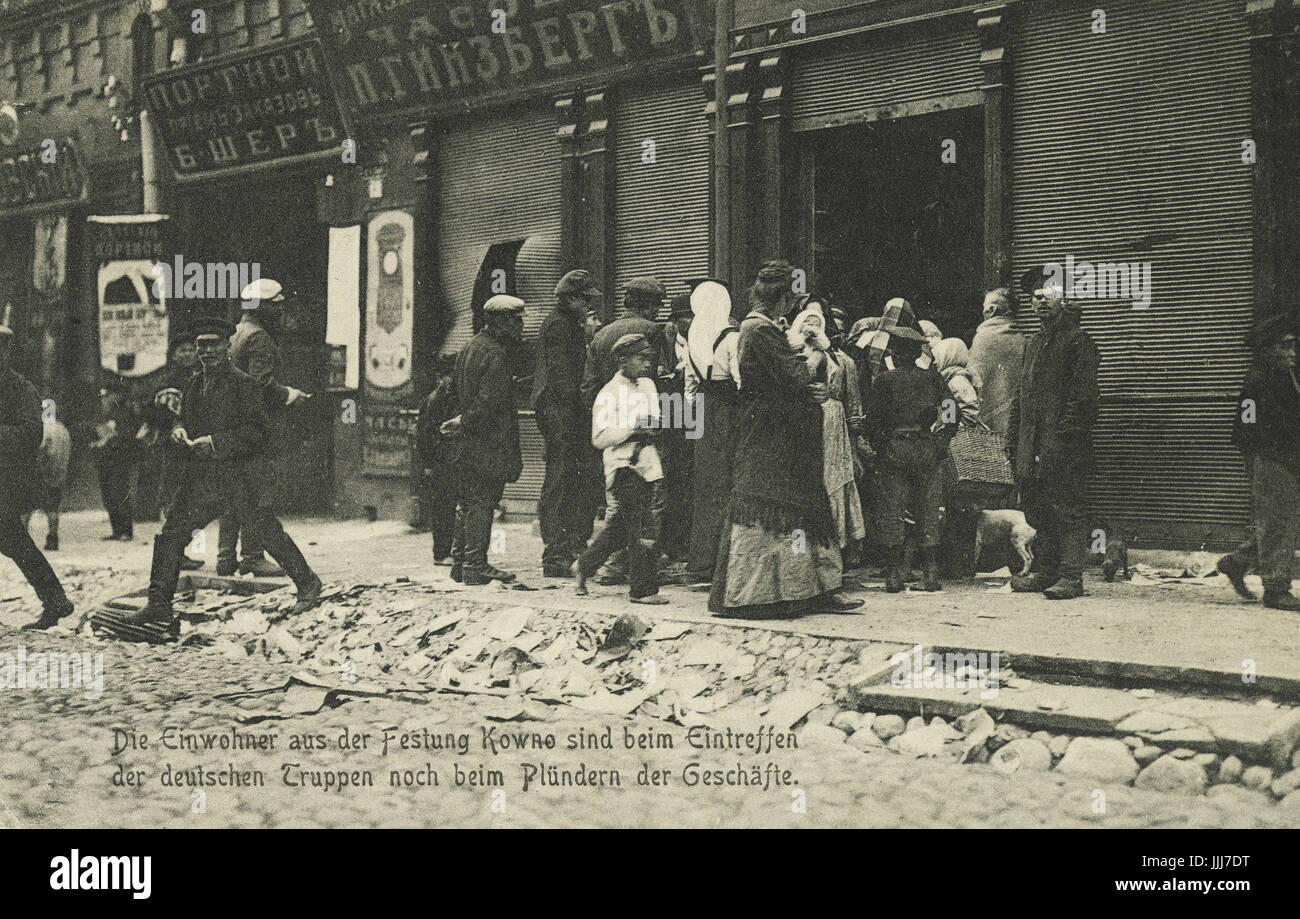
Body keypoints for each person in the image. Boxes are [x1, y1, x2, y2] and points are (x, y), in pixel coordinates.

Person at [121, 317, 322, 627]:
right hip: (202, 478)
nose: (206, 351)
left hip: (239, 476)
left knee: (266, 531)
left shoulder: (244, 384)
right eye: (201, 345)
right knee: (173, 533)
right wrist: (178, 430)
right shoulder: (193, 384)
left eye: (213, 344)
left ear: (228, 346)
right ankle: (158, 603)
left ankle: (308, 584)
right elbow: (184, 420)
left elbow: (257, 433)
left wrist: (215, 443)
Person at [708, 261, 863, 619]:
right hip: (771, 437)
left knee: (800, 507)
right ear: (781, 300)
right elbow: (795, 376)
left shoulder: (763, 330)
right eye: (791, 301)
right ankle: (761, 594)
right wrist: (818, 352)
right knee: (773, 507)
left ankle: (812, 590)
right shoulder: (758, 332)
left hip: (785, 435)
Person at [1007, 268, 1100, 600]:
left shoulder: (1078, 341)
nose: (1041, 300)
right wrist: (1013, 438)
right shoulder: (1033, 342)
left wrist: (1065, 438)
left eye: (1050, 294)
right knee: (1037, 507)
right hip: (1032, 445)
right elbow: (1021, 395)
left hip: (1062, 445)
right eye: (1035, 296)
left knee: (1067, 507)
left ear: (1066, 299)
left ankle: (1072, 576)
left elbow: (1084, 398)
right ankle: (1045, 571)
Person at [217, 278, 311, 578]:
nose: (280, 313)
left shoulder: (235, 335)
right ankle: (252, 556)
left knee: (233, 492)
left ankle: (225, 556)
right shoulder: (260, 339)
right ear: (263, 308)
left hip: (231, 426)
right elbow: (260, 385)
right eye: (276, 306)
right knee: (257, 492)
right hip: (254, 428)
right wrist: (289, 394)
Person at [573, 333, 668, 604]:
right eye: (640, 358)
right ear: (622, 361)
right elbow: (599, 437)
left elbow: (655, 418)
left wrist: (653, 425)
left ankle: (584, 565)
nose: (646, 364)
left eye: (648, 358)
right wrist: (630, 429)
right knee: (641, 527)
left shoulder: (648, 385)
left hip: (648, 462)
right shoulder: (608, 394)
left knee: (621, 529)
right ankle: (642, 589)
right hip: (623, 466)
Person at [1217, 316, 1300, 610]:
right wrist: (1262, 457)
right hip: (1272, 458)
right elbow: (1246, 422)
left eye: (1293, 347)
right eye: (1284, 347)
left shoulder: (1283, 375)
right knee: (1279, 519)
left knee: (1283, 520)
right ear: (1266, 349)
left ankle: (1238, 562)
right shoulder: (1258, 379)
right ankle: (1276, 589)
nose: (1292, 353)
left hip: (1286, 456)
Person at [863, 326, 955, 592]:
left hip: (895, 449)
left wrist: (881, 445)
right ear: (916, 353)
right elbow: (950, 410)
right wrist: (942, 441)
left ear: (894, 352)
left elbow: (873, 421)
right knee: (929, 510)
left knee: (892, 511)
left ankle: (893, 576)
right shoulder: (934, 379)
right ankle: (931, 575)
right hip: (926, 449)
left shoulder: (884, 380)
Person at [1, 308, 74, 631]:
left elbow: (32, 434)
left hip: (10, 479)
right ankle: (56, 600)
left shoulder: (20, 389)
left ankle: (56, 600)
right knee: (15, 542)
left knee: (15, 541)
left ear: (6, 351)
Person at [447, 295, 526, 585]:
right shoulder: (496, 354)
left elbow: (462, 394)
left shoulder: (469, 348)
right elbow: (488, 403)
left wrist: (462, 422)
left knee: (467, 503)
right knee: (483, 502)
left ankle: (460, 563)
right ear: (501, 321)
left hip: (469, 443)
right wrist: (467, 421)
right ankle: (476, 565)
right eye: (516, 320)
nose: (520, 326)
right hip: (489, 443)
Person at [533, 269, 602, 578]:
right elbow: (565, 379)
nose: (589, 306)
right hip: (562, 414)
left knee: (574, 481)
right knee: (561, 482)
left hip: (565, 413)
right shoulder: (560, 327)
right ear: (571, 298)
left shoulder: (566, 324)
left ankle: (569, 547)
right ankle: (556, 554)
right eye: (585, 299)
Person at [788, 302, 866, 553]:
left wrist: (853, 451)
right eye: (805, 323)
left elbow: (854, 406)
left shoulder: (843, 361)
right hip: (801, 423)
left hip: (834, 428)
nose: (810, 328)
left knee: (833, 481)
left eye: (816, 323)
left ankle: (837, 547)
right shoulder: (789, 359)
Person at [684, 280, 740, 580]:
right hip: (727, 410)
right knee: (728, 480)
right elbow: (740, 380)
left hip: (703, 412)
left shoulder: (693, 334)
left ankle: (701, 561)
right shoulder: (731, 336)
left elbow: (689, 389)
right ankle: (724, 561)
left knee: (706, 486)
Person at [139, 328, 203, 570]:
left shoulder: (198, 376)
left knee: (188, 498)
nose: (188, 354)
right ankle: (174, 552)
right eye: (182, 350)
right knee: (175, 497)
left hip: (192, 445)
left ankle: (176, 550)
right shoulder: (168, 380)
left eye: (191, 350)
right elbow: (154, 412)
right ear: (174, 355)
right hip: (172, 446)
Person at [654, 294, 695, 563]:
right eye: (686, 316)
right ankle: (667, 543)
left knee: (688, 478)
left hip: (693, 414)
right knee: (670, 477)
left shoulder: (701, 340)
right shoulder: (664, 341)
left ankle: (681, 543)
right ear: (675, 319)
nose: (691, 322)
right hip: (670, 413)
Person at [416, 354, 461, 565]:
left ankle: (449, 551)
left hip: (449, 460)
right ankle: (441, 553)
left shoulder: (451, 398)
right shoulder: (435, 400)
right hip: (439, 462)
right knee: (442, 508)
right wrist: (428, 464)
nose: (451, 380)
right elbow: (424, 435)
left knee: (450, 506)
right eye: (447, 376)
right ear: (440, 378)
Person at [969, 287, 1026, 436]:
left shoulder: (983, 338)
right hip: (1015, 423)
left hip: (988, 425)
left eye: (984, 308)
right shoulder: (1021, 339)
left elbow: (974, 379)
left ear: (992, 310)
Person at [91, 375, 139, 541]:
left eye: (108, 395)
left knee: (119, 492)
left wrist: (111, 439)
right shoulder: (103, 413)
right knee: (108, 494)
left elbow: (129, 436)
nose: (105, 398)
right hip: (104, 458)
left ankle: (126, 530)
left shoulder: (124, 412)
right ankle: (117, 530)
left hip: (119, 457)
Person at [26, 417, 71, 552]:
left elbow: (40, 451)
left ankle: (23, 540)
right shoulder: (62, 429)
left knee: (27, 506)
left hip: (40, 472)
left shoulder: (40, 429)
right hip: (56, 474)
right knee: (53, 507)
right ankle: (53, 538)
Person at [933, 337, 982, 426]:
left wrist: (951, 430)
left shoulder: (957, 381)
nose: (935, 362)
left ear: (949, 356)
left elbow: (970, 413)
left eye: (939, 355)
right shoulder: (948, 378)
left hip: (960, 437)